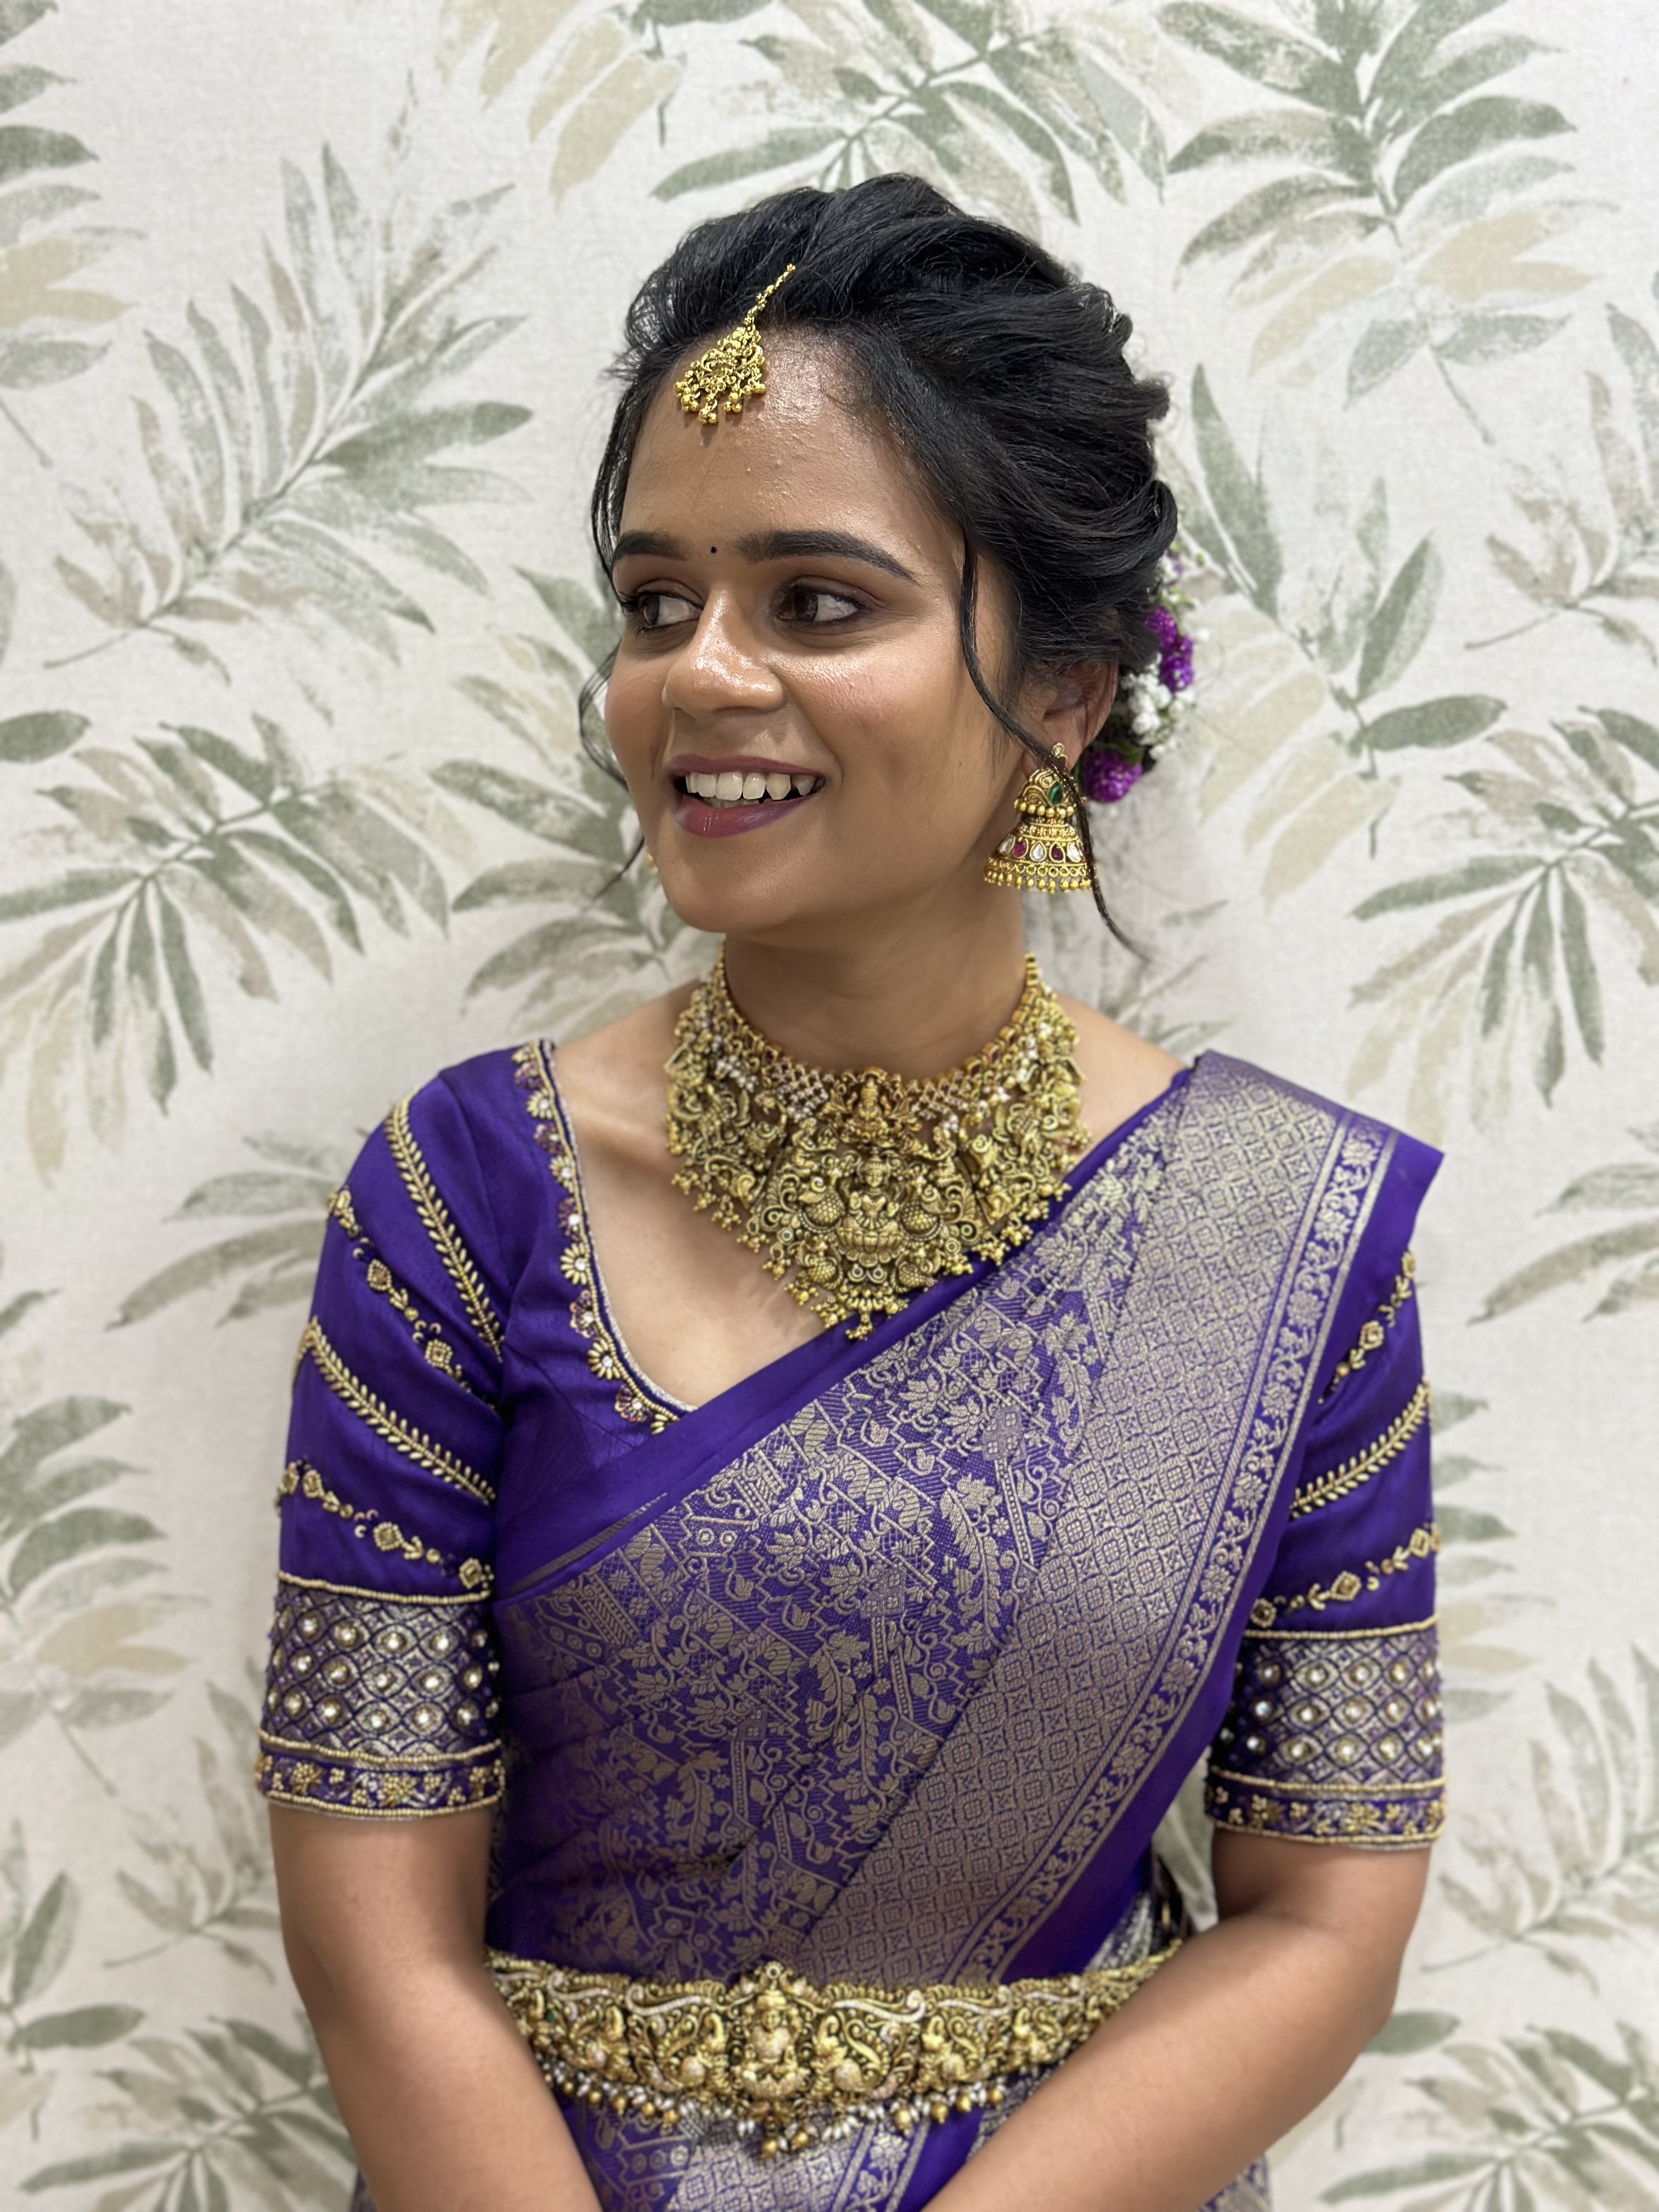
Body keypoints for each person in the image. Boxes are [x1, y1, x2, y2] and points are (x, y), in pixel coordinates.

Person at [258, 175, 1443, 2212]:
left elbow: (1323, 1916)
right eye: (656, 603)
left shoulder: (1274, 1238)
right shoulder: (470, 1194)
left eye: (817, 603)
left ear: (1063, 689)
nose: (700, 677)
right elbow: (380, 1946)